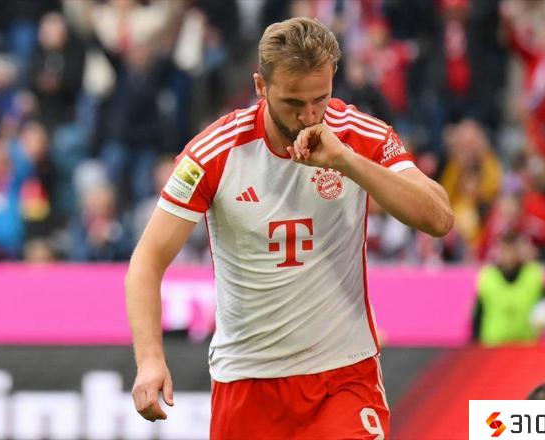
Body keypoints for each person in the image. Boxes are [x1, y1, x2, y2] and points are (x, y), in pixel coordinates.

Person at [125, 17, 453, 439]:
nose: (309, 115)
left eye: (321, 99)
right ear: (261, 86)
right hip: (247, 383)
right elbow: (147, 261)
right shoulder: (213, 154)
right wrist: (150, 360)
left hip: (343, 376)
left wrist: (347, 162)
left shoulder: (357, 134)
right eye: (293, 102)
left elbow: (439, 219)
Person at [472, 232, 545, 346]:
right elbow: (477, 316)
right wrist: (476, 347)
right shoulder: (488, 277)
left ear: (520, 251)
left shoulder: (533, 275)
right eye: (505, 250)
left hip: (526, 348)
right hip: (493, 347)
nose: (509, 256)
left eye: (512, 250)